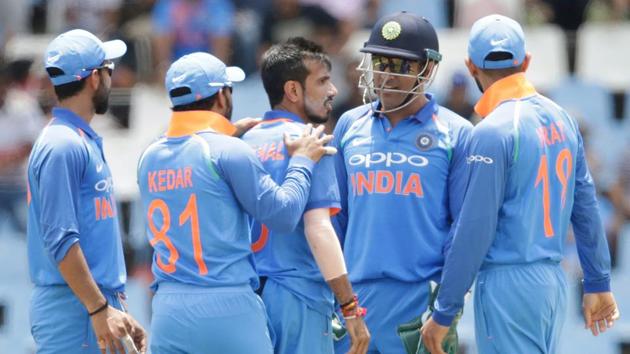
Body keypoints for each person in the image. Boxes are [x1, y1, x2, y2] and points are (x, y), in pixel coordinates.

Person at [421, 14, 620, 354]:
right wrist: (598, 281)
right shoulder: (564, 118)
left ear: (471, 66)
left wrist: (445, 310)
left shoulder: (491, 130)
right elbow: (585, 206)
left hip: (507, 285)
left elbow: (475, 228)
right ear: (525, 62)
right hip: (552, 282)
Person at [136, 51, 335, 353]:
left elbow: (188, 151)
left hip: (168, 308)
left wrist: (224, 131)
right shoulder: (229, 150)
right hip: (227, 304)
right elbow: (283, 216)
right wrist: (302, 161)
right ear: (221, 96)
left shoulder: (149, 156)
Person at [331, 11, 472, 354]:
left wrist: (445, 307)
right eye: (380, 61)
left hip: (419, 302)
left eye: (401, 65)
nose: (386, 76)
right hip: (355, 302)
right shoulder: (349, 125)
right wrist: (339, 298)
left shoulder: (456, 133)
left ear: (427, 69)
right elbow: (337, 218)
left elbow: (463, 230)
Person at [241, 37, 370, 354]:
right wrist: (350, 307)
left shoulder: (242, 142)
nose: (333, 91)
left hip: (246, 299)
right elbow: (319, 229)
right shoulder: (312, 141)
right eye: (323, 81)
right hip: (297, 298)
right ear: (293, 91)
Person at [27, 29, 146, 353]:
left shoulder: (74, 139)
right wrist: (97, 308)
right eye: (109, 70)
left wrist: (113, 308)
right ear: (95, 78)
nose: (113, 78)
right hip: (76, 309)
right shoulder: (62, 145)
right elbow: (61, 239)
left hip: (89, 305)